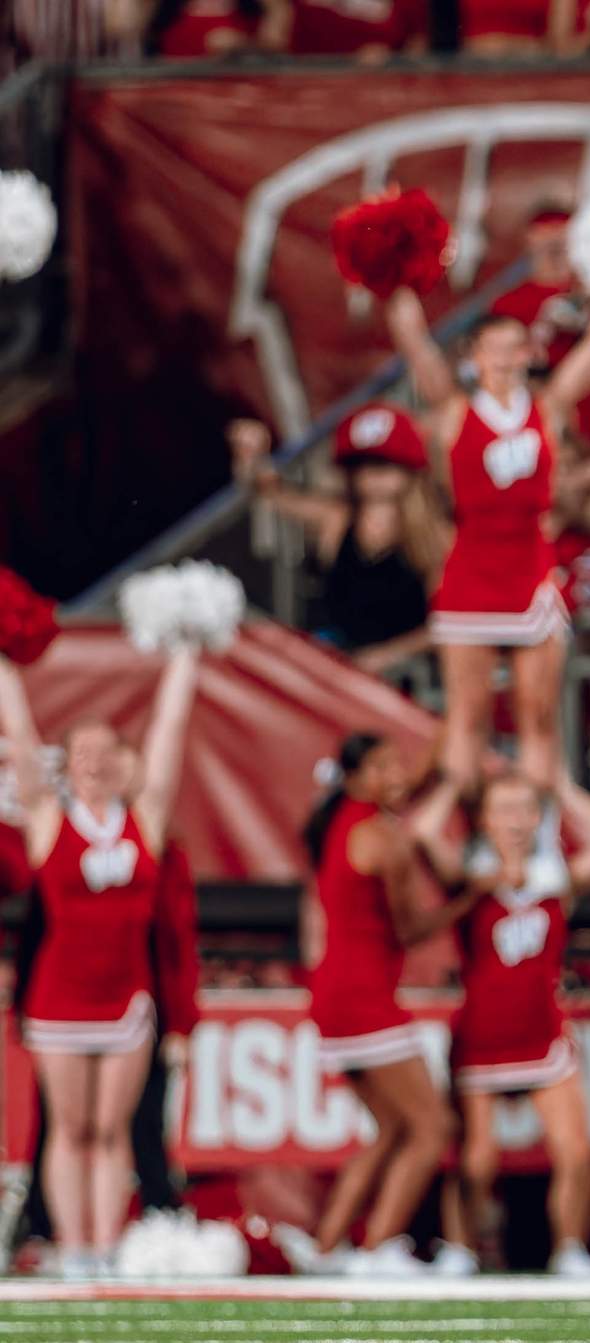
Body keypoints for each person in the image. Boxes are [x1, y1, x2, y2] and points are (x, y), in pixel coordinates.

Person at [386, 286, 590, 792]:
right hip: (471, 570)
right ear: (474, 358)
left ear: (529, 354)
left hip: (531, 568)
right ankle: (469, 833)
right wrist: (393, 277)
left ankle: (540, 838)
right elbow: (414, 343)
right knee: (468, 716)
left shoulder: (549, 409)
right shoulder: (455, 411)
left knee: (539, 716)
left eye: (513, 348)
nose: (502, 359)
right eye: (492, 349)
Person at [0, 649, 201, 1279]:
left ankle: (108, 1248)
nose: (93, 761)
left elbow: (169, 737)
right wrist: (7, 669)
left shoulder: (144, 818)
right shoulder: (48, 819)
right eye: (81, 751)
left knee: (113, 1129)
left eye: (106, 751)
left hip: (126, 998)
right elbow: (25, 745)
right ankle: (76, 1248)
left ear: (121, 761)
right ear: (68, 763)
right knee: (69, 1127)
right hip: (59, 997)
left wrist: (185, 653)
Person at [421, 772, 590, 1276]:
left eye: (526, 809)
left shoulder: (556, 879)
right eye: (503, 810)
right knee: (477, 1160)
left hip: (542, 1033)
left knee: (575, 1150)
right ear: (484, 819)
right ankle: (460, 1248)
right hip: (482, 1036)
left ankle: (569, 1249)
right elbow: (421, 833)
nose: (516, 822)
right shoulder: (469, 878)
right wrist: (452, 788)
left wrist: (568, 793)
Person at [277, 737, 477, 1276]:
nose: (397, 773)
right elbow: (410, 928)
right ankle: (377, 1248)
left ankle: (327, 1247)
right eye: (384, 765)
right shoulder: (382, 836)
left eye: (399, 763)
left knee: (391, 1129)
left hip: (335, 995)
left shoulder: (344, 818)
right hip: (365, 996)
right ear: (358, 777)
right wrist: (471, 899)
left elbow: (407, 787)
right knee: (433, 1127)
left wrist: (439, 751)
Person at [229, 406, 443, 672]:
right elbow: (269, 493)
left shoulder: (434, 538)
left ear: (409, 468)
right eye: (359, 463)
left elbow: (446, 624)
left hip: (405, 676)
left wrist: (385, 656)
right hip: (334, 666)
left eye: (384, 462)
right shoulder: (337, 520)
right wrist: (252, 457)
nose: (371, 474)